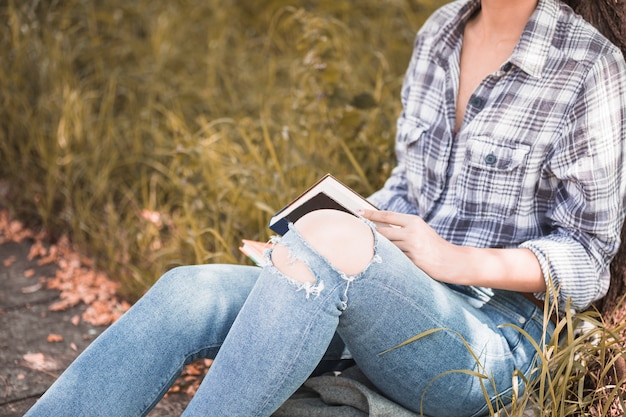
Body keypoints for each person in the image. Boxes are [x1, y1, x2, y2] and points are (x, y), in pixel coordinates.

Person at [25, 0, 626, 416]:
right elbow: (412, 188)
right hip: (399, 293)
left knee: (329, 243)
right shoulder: (440, 33)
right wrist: (319, 243)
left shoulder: (589, 67)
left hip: (492, 338)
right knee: (188, 290)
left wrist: (452, 261)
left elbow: (590, 258)